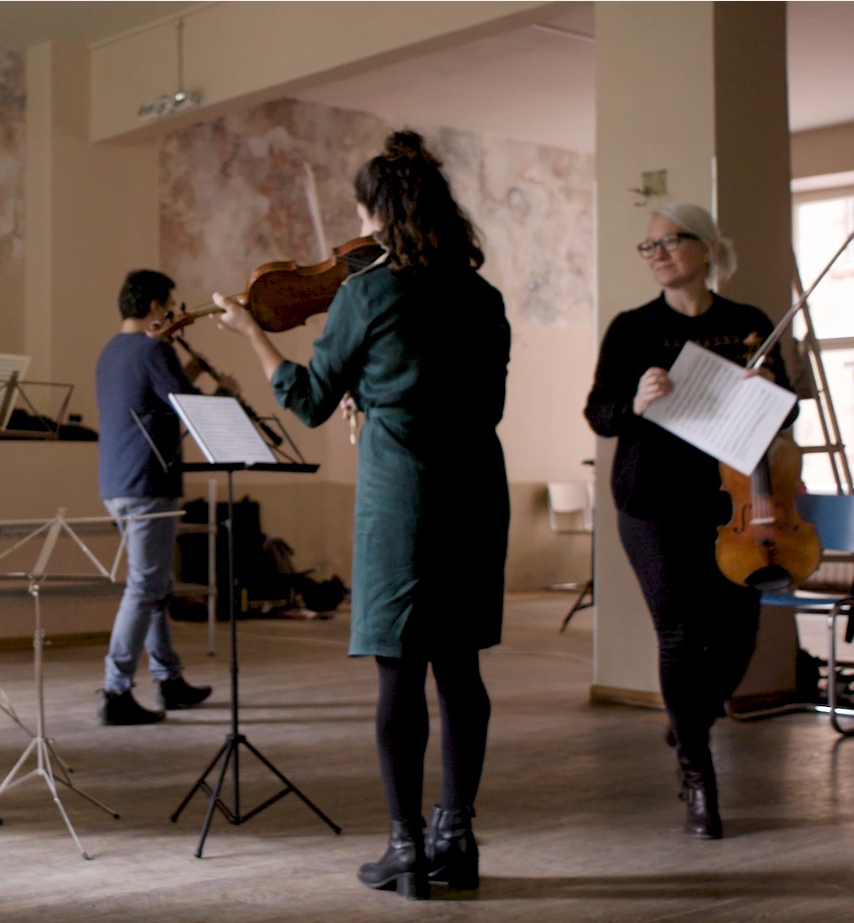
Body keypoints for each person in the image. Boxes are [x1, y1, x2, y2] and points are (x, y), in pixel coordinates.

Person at [212, 131, 509, 899]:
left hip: (403, 495)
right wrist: (385, 387)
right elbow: (486, 404)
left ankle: (405, 846)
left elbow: (308, 399)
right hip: (477, 487)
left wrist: (252, 334)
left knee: (401, 671)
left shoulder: (368, 292)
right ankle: (458, 834)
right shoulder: (484, 298)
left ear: (380, 212)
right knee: (462, 669)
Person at [582, 203, 791, 840]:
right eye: (649, 247)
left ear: (706, 248)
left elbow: (787, 415)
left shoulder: (750, 323)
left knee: (738, 639)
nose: (659, 254)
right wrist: (638, 402)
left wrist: (770, 392)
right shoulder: (631, 328)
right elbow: (600, 414)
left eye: (671, 241)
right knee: (678, 634)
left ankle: (689, 716)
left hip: (732, 504)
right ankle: (698, 773)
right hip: (652, 503)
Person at [94, 269, 219, 725]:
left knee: (155, 587)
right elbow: (190, 406)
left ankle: (169, 679)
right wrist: (223, 391)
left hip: (117, 483)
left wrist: (185, 371)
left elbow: (153, 402)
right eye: (169, 305)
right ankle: (116, 691)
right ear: (152, 307)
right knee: (146, 587)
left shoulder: (112, 351)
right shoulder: (154, 348)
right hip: (149, 484)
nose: (172, 314)